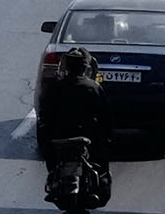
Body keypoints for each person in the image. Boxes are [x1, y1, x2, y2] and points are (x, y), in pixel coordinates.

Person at [35, 47, 114, 201]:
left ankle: (54, 180)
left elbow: (45, 113)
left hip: (60, 135)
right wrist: (108, 135)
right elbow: (105, 115)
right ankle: (99, 184)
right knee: (102, 160)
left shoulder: (55, 87)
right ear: (85, 67)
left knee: (50, 154)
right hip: (88, 136)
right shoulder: (93, 87)